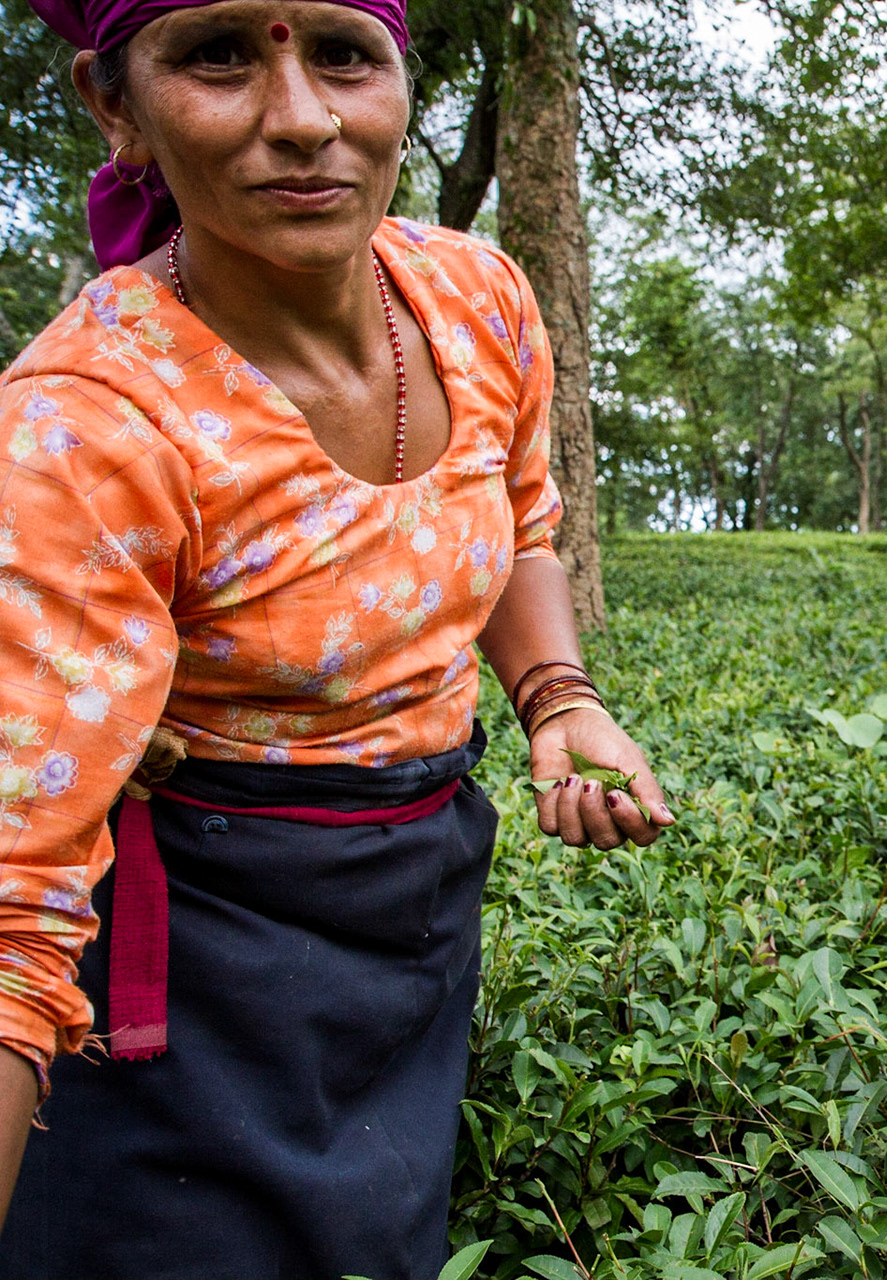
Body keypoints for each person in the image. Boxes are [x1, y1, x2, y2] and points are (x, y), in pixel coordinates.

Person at [0, 1, 675, 1274]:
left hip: (415, 895)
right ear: (114, 105)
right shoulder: (81, 424)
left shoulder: (475, 297)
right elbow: (9, 905)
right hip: (194, 950)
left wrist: (556, 696)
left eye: (342, 55)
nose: (303, 120)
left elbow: (519, 514)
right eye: (217, 56)